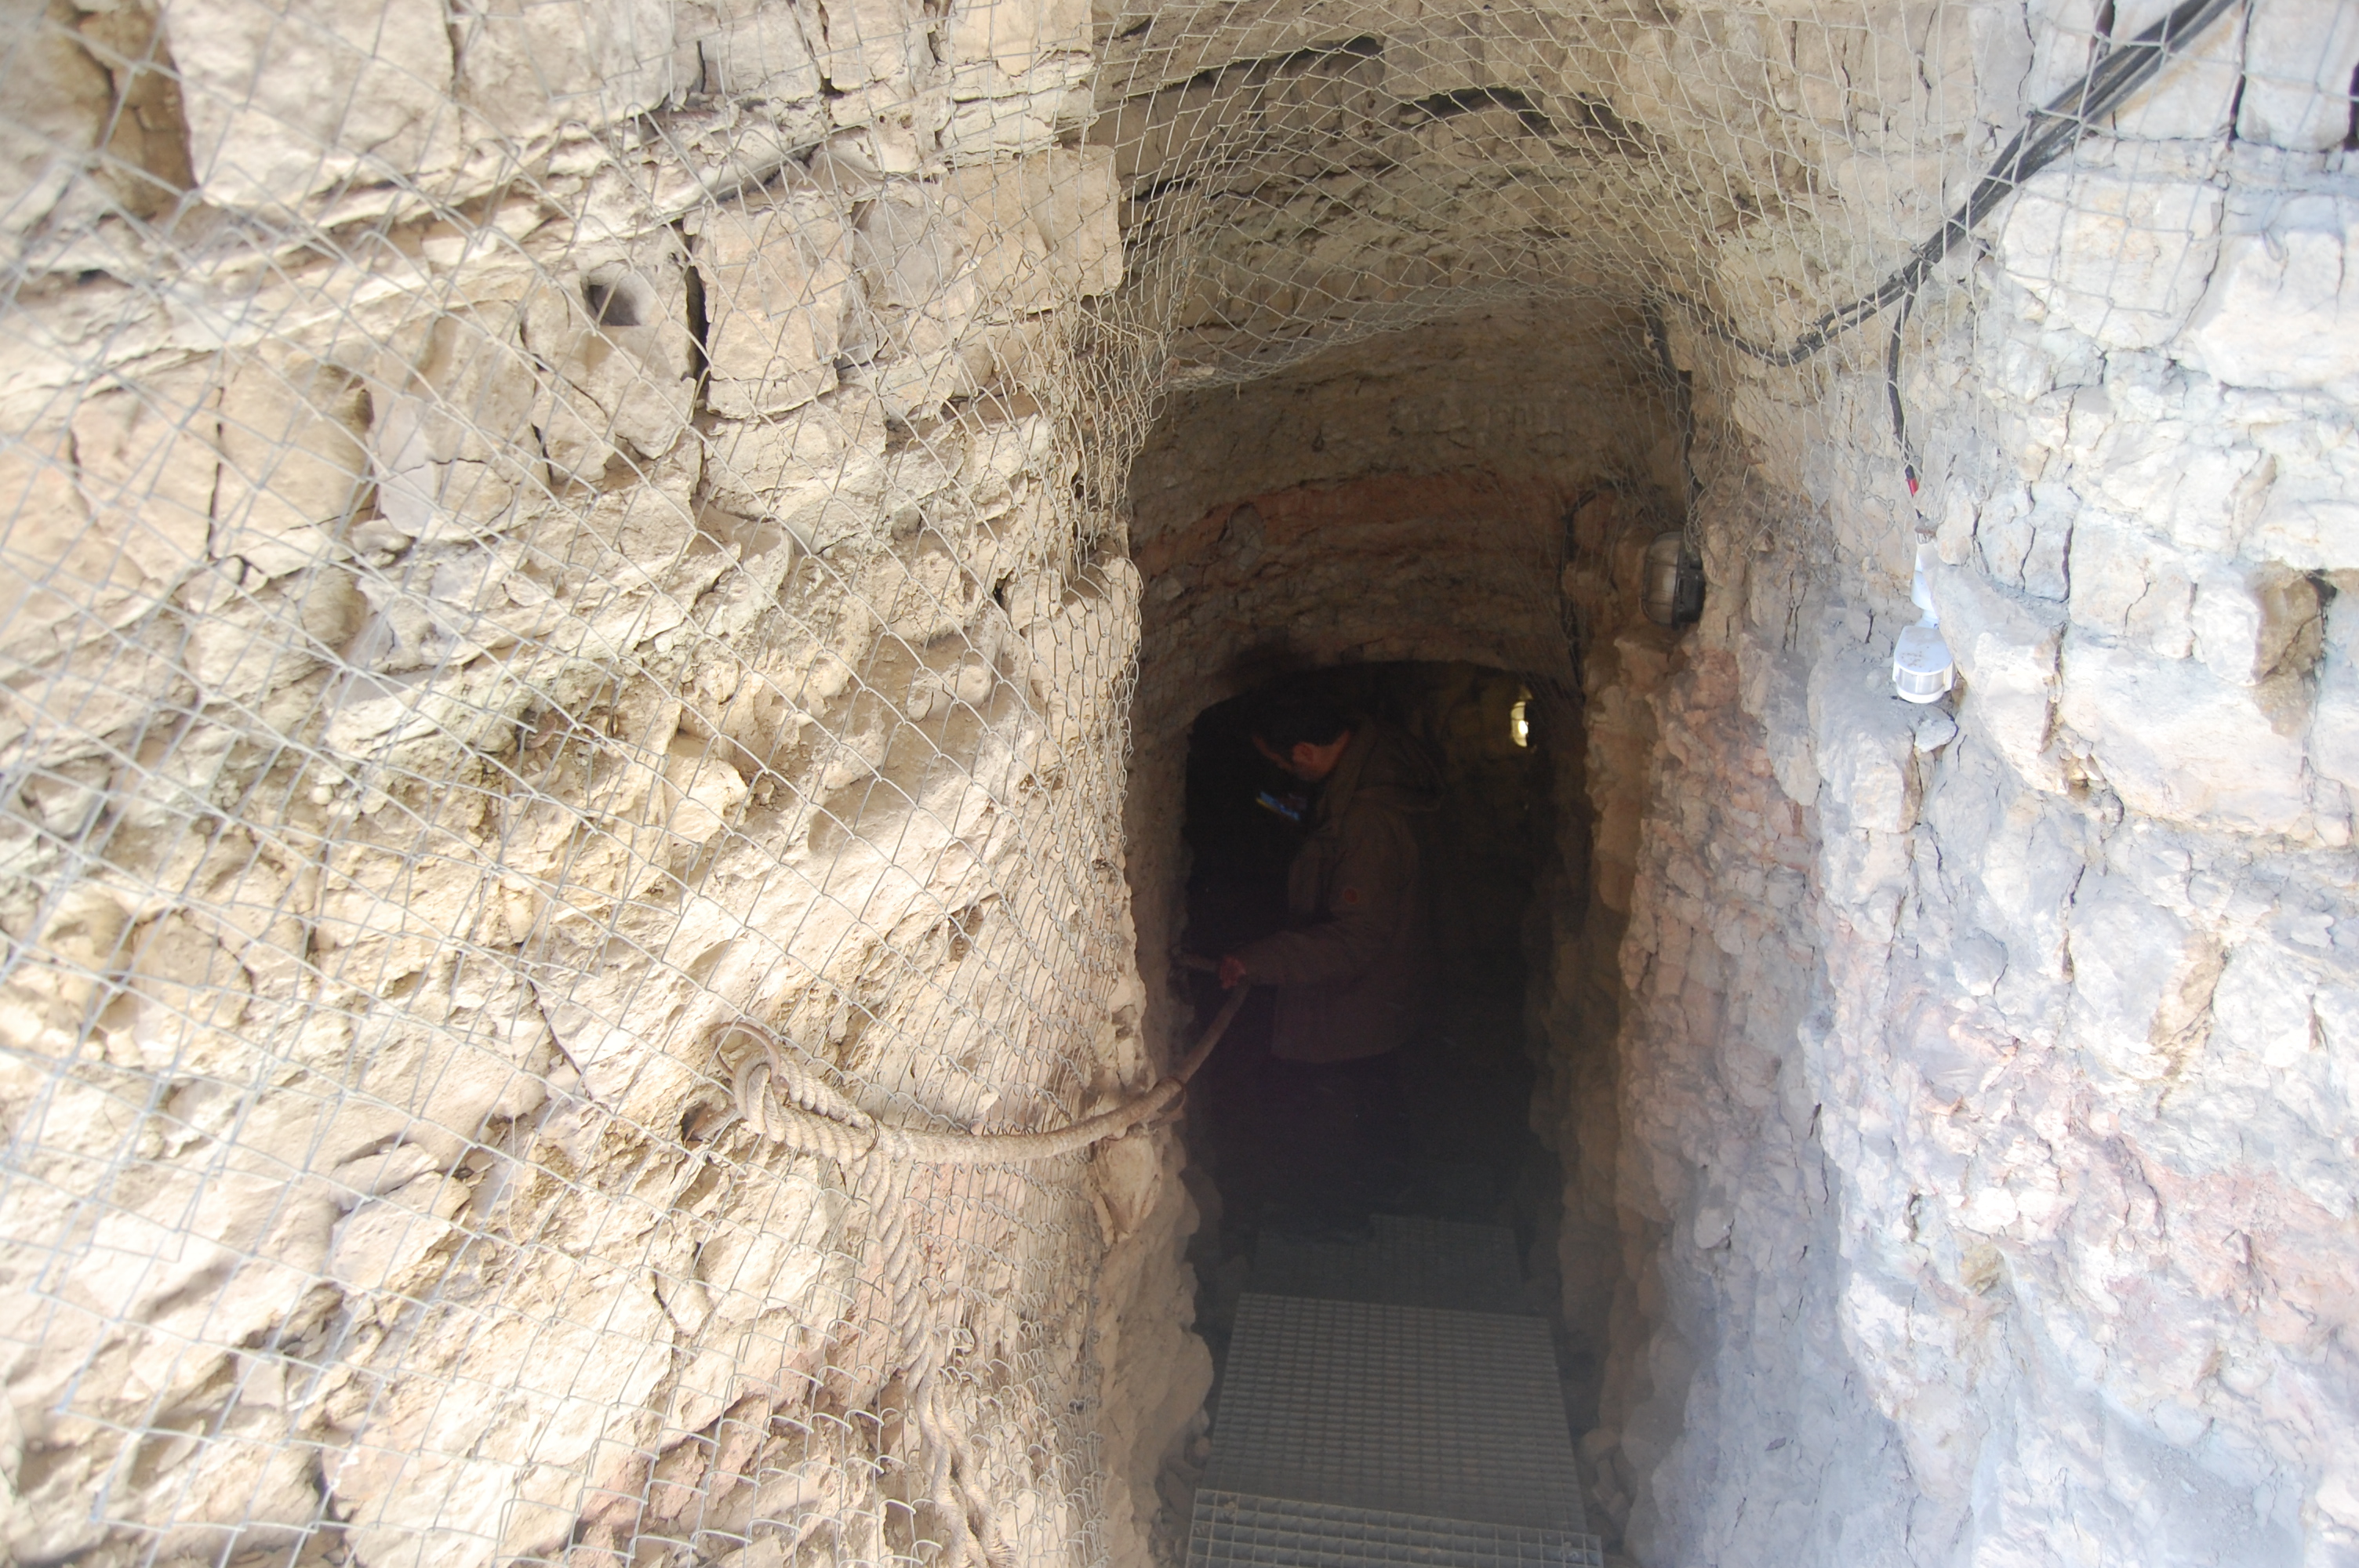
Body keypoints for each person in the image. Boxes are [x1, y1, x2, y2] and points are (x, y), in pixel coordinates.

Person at [1218, 693, 1439, 1232]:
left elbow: (1354, 938)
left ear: (1305, 752)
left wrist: (1257, 961)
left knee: (1338, 1102)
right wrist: (1277, 808)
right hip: (1379, 990)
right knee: (1370, 1091)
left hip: (1357, 992)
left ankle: (1343, 1217)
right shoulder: (1373, 767)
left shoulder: (1368, 819)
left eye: (1282, 762)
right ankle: (1376, 1200)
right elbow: (1325, 833)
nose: (1284, 773)